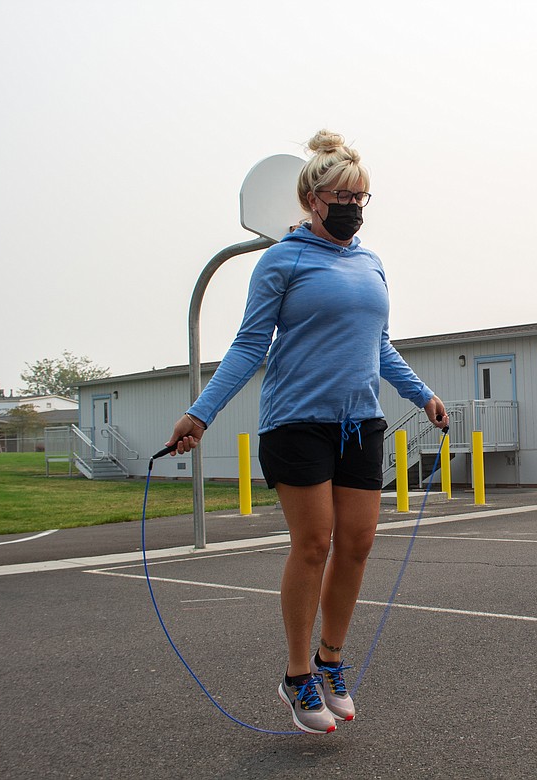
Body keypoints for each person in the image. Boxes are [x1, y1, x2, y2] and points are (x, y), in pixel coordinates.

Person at [165, 130, 448, 734]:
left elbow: (377, 345)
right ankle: (297, 677)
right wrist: (201, 412)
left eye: (361, 197)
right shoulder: (282, 260)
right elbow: (249, 346)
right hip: (296, 422)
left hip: (360, 423)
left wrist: (421, 393)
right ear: (313, 199)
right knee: (314, 543)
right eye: (342, 196)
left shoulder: (370, 263)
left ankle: (330, 661)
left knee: (359, 543)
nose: (353, 207)